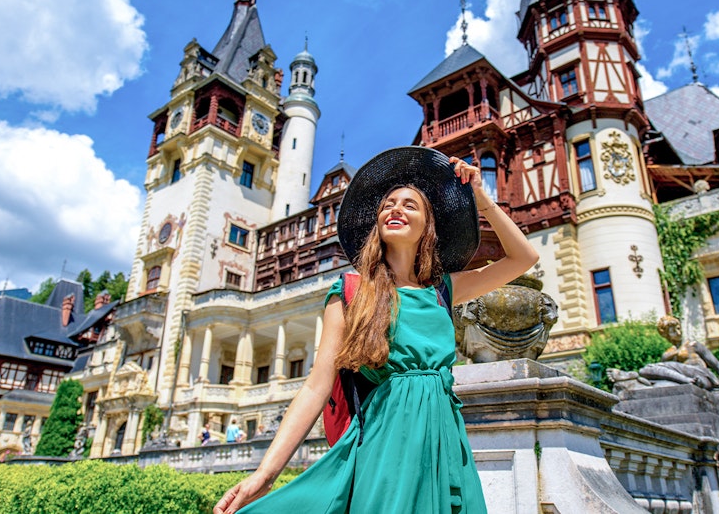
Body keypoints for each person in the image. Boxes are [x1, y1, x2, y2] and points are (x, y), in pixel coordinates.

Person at [214, 147, 539, 514]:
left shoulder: (443, 290)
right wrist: (264, 476)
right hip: (386, 449)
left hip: (446, 447)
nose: (395, 209)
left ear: (427, 228)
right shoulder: (351, 292)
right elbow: (315, 388)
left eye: (409, 205)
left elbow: (524, 258)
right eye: (388, 204)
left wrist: (482, 200)